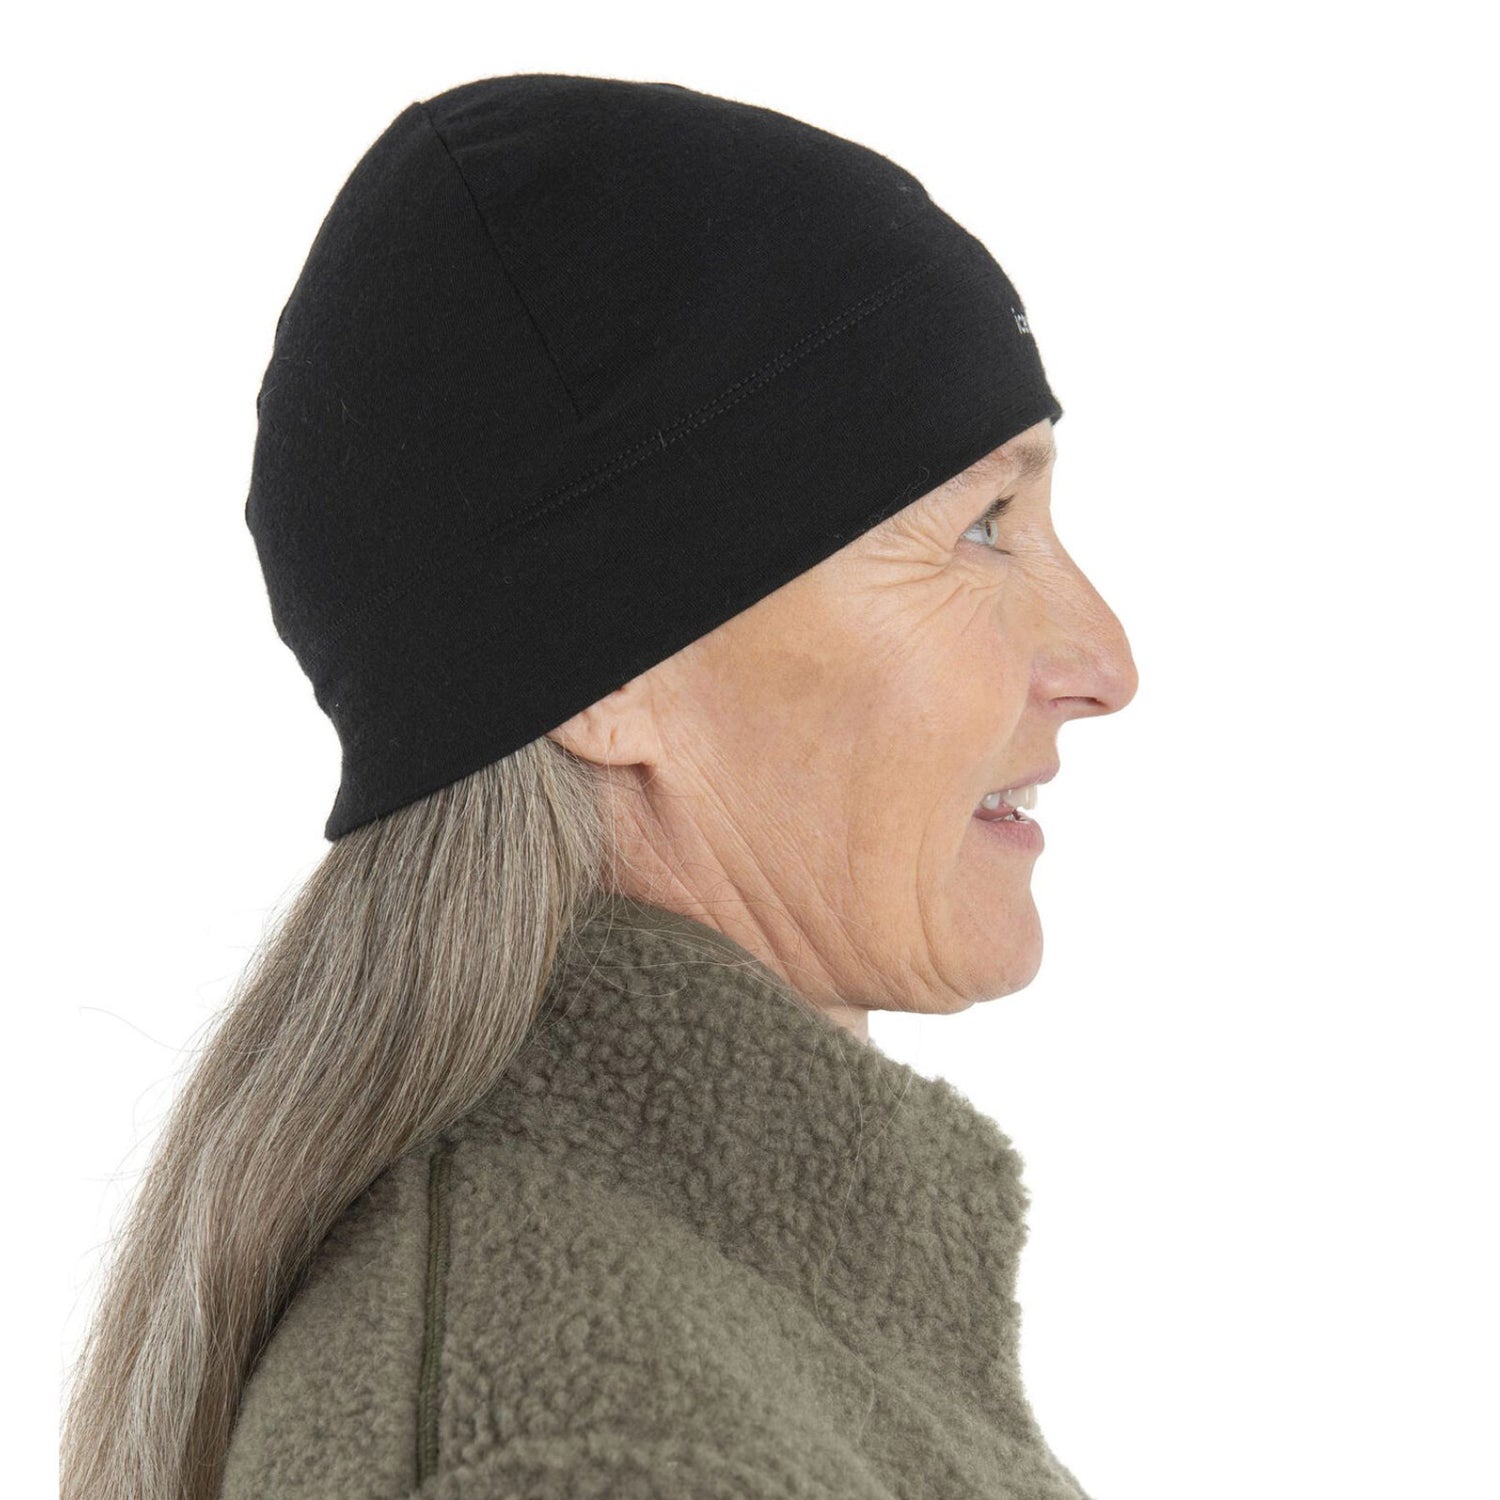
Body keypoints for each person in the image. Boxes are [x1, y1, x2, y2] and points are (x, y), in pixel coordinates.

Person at [61, 73, 1137, 1500]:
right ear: (613, 674)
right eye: (983, 527)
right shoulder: (590, 1441)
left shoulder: (725, 1333)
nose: (1105, 662)